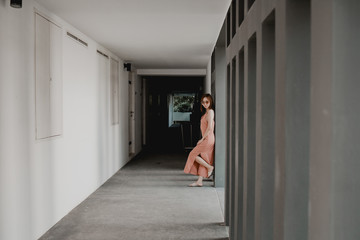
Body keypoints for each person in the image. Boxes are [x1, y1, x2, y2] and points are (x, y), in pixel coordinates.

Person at [183, 93, 215, 187]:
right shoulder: (207, 112)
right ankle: (199, 181)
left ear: (210, 102)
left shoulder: (210, 112)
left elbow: (209, 128)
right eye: (203, 102)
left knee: (192, 154)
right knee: (203, 158)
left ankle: (210, 167)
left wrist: (202, 139)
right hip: (208, 138)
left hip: (207, 139)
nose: (204, 104)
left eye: (207, 102)